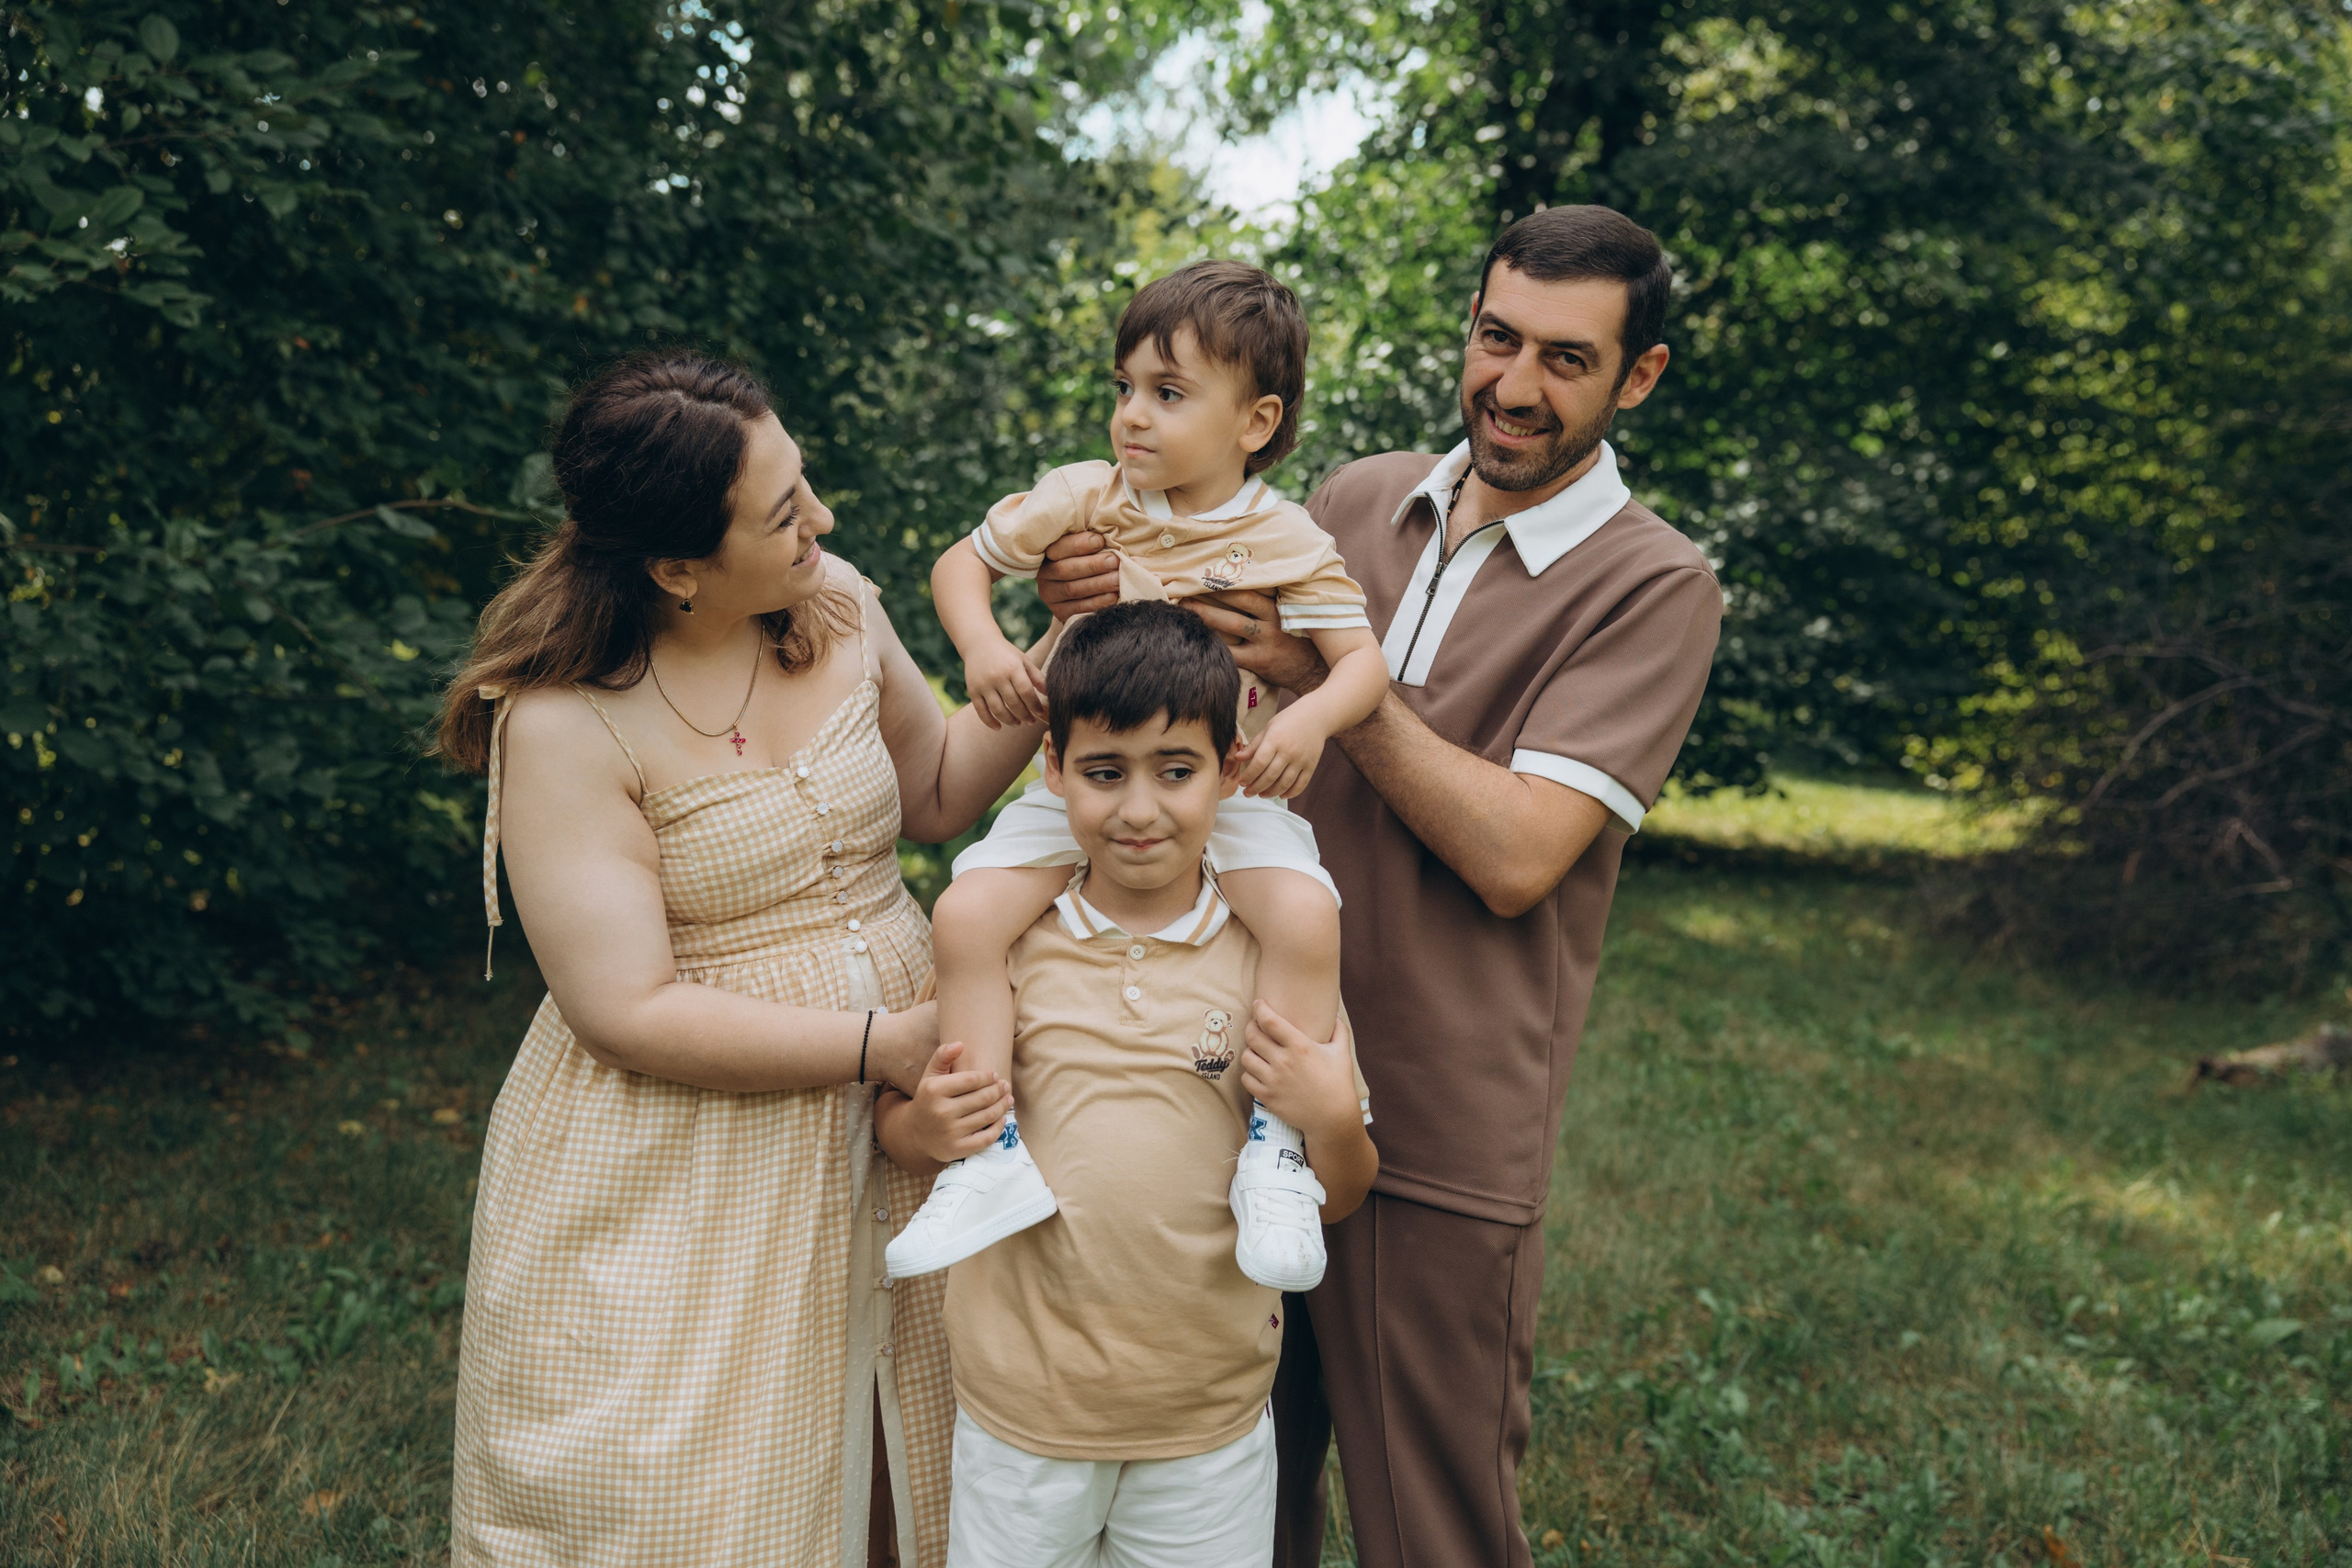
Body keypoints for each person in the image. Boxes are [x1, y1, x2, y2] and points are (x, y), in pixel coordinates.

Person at [1035, 206, 1724, 1567]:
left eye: (1567, 360)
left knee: (1429, 1523)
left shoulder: (1653, 586)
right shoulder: (1354, 500)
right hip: (1224, 1073)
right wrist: (1088, 582)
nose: (1514, 385)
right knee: (1229, 1508)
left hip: (1436, 1121)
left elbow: (1521, 855)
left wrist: (1326, 689)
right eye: (1497, 337)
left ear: (1638, 377)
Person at [434, 351, 1039, 1568]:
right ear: (677, 568)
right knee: (699, 1483)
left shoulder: (837, 602)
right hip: (691, 1133)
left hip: (904, 1107)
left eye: (803, 483)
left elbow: (933, 790)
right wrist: (882, 1043)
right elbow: (626, 1007)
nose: (823, 520)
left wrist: (1064, 642)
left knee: (908, 1439)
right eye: (783, 513)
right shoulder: (564, 719)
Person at [884, 263, 1388, 1294]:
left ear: (1255, 421)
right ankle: (987, 1154)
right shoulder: (1086, 495)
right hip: (1087, 788)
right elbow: (959, 566)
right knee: (967, 916)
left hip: (1225, 789)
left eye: (1168, 393)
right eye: (1123, 387)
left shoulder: (1282, 536)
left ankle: (1277, 1154)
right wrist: (983, 647)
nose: (1132, 416)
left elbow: (1363, 666)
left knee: (1303, 916)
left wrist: (1309, 720)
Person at [880, 600, 1376, 1568]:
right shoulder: (1012, 941)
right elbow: (900, 1128)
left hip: (1207, 1421)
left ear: (1229, 769)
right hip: (1023, 1417)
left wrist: (1328, 1123)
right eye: (1104, 773)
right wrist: (927, 1130)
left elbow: (1343, 1189)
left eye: (1176, 771)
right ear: (1053, 768)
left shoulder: (1271, 954)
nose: (1140, 810)